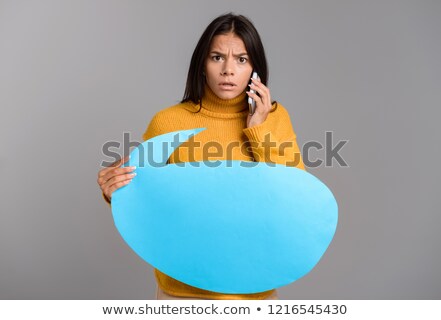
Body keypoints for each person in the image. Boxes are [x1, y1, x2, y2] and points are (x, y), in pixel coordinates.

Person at [97, 13, 305, 300]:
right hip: (182, 291)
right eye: (217, 57)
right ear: (202, 65)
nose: (228, 70)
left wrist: (258, 129)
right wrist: (114, 191)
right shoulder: (168, 123)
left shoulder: (275, 118)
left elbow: (294, 198)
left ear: (256, 68)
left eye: (241, 60)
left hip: (253, 288)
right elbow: (145, 199)